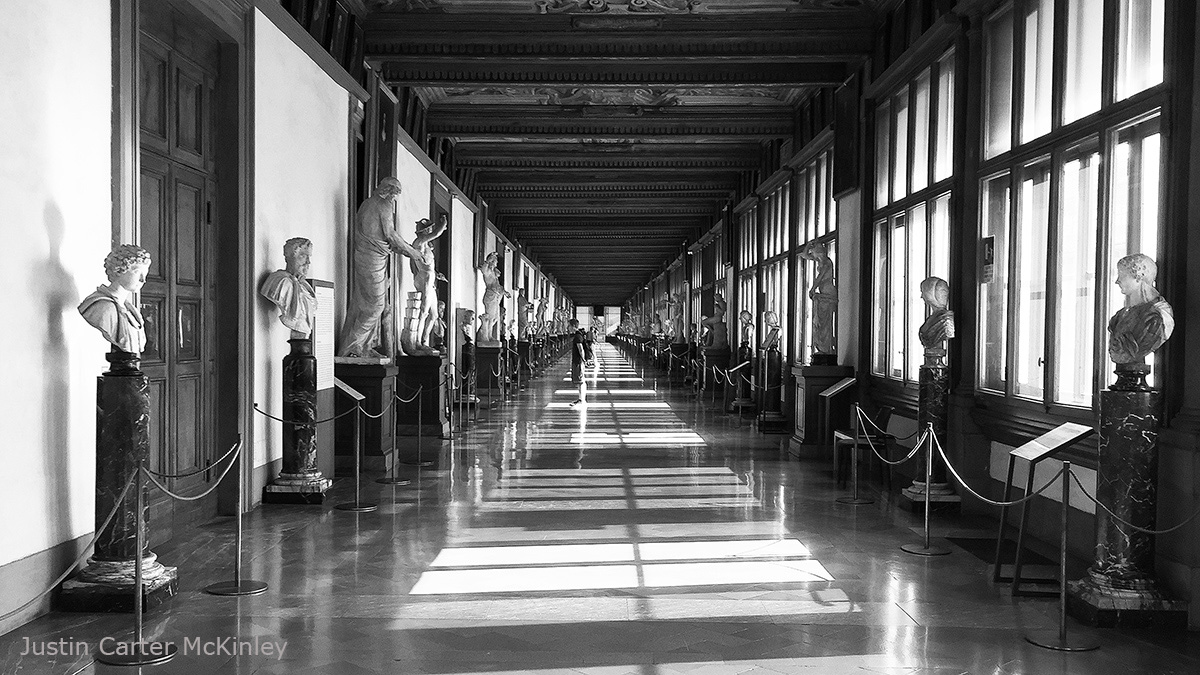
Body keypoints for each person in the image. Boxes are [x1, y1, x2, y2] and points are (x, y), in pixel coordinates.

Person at [79, 244, 152, 354]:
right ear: (119, 270)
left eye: (145, 274)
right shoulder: (102, 307)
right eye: (137, 272)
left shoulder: (131, 310)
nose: (143, 280)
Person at [1108, 253, 1174, 365]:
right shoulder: (1121, 316)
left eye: (1122, 276)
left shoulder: (1158, 316)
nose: (1117, 281)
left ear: (1138, 277)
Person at [260, 237, 316, 338]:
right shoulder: (279, 281)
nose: (308, 262)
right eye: (303, 256)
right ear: (290, 257)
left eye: (309, 257)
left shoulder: (304, 286)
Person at [569, 318, 593, 407]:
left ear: (573, 326)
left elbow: (581, 349)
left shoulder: (578, 337)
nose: (568, 328)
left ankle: (582, 400)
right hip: (578, 361)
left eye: (569, 326)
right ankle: (580, 399)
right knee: (579, 381)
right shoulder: (578, 335)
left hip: (578, 361)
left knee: (581, 380)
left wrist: (583, 360)